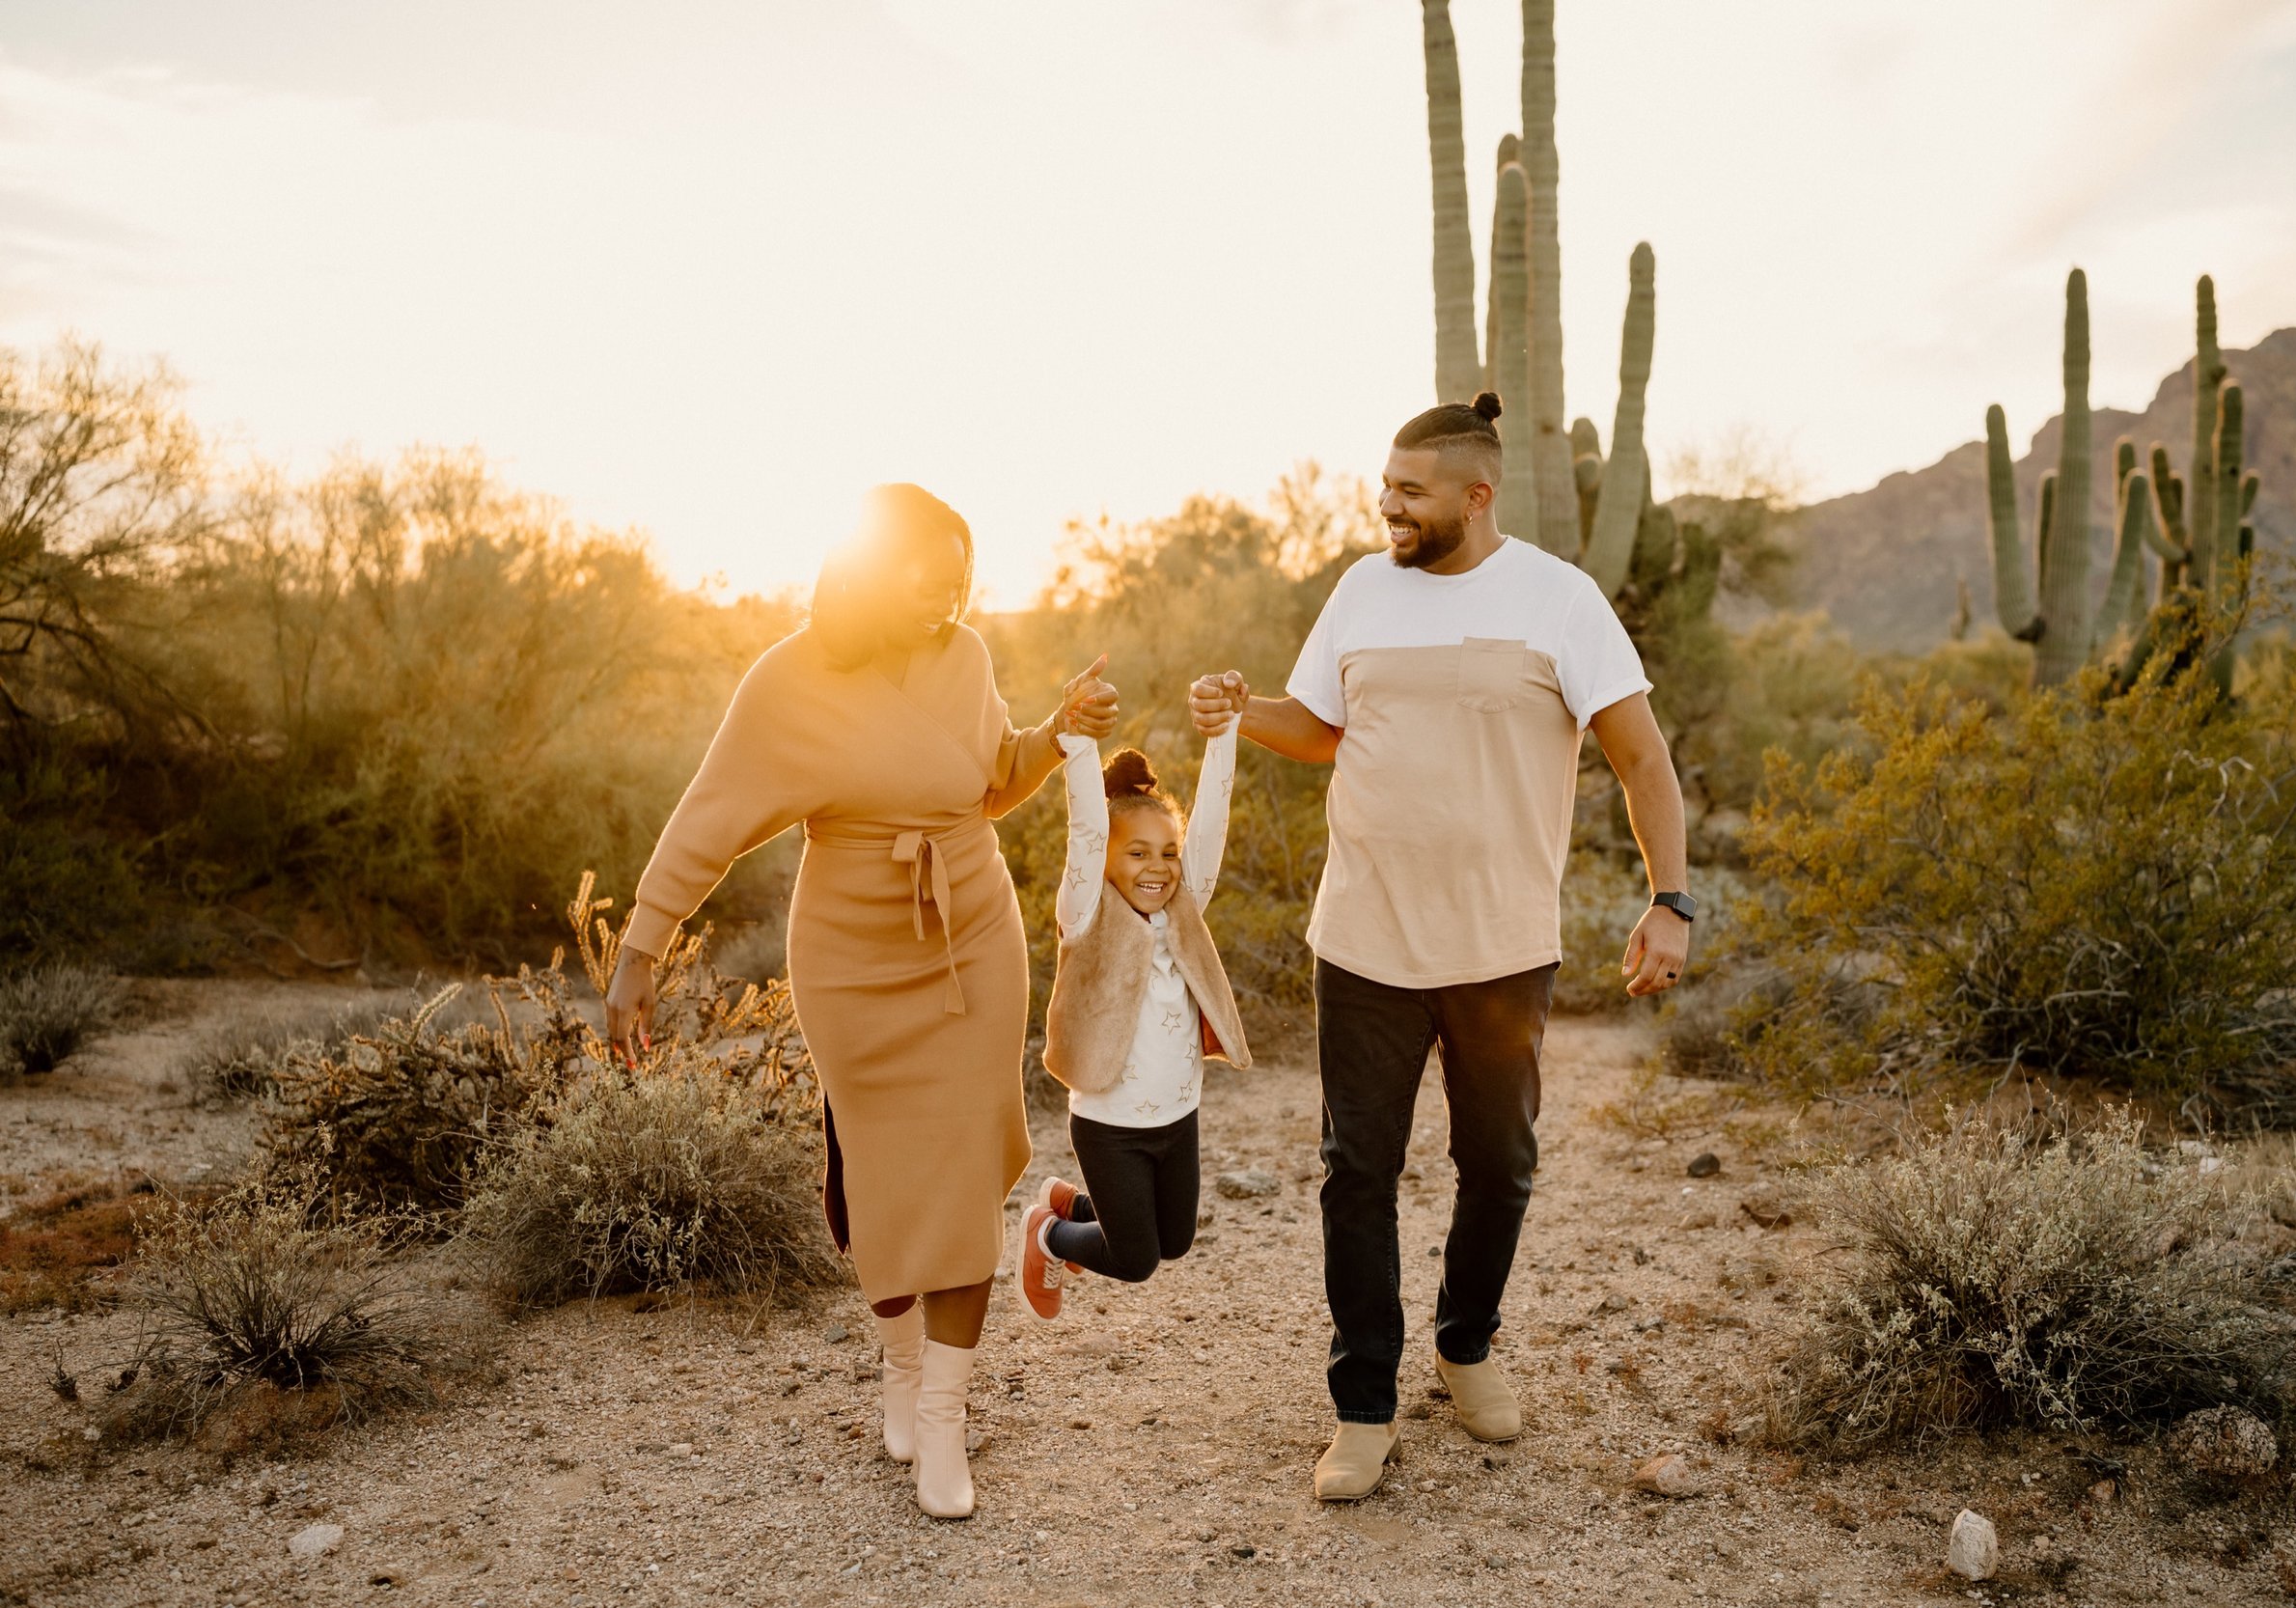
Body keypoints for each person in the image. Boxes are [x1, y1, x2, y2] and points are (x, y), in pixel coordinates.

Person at [1189, 391, 1692, 1502]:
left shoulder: (1559, 599)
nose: (1388, 507)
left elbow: (1642, 760)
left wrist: (1672, 898)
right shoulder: (1362, 590)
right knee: (1353, 1174)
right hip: (1363, 941)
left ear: (1477, 495)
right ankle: (1362, 1405)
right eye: (1385, 487)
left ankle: (1465, 1348)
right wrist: (1239, 709)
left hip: (1501, 949)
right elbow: (1320, 729)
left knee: (1498, 1166)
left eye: (1410, 492)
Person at [603, 484, 1117, 1520]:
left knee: (965, 1170)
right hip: (851, 953)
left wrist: (1054, 730)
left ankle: (943, 1417)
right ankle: (896, 1359)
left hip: (972, 935)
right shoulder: (790, 679)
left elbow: (985, 781)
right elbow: (708, 818)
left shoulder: (964, 656)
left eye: (961, 583)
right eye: (926, 583)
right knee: (877, 1174)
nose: (947, 602)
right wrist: (639, 949)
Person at [1013, 721, 1249, 1320]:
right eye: (1137, 852)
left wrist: (1227, 733)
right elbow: (1087, 832)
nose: (1158, 867)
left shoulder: (1183, 911)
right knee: (1137, 1258)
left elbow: (1212, 825)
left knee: (1175, 1242)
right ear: (1108, 863)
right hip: (1110, 1127)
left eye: (1168, 852)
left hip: (1179, 1115)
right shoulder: (1086, 913)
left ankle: (1076, 1205)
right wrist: (1080, 743)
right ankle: (1048, 1233)